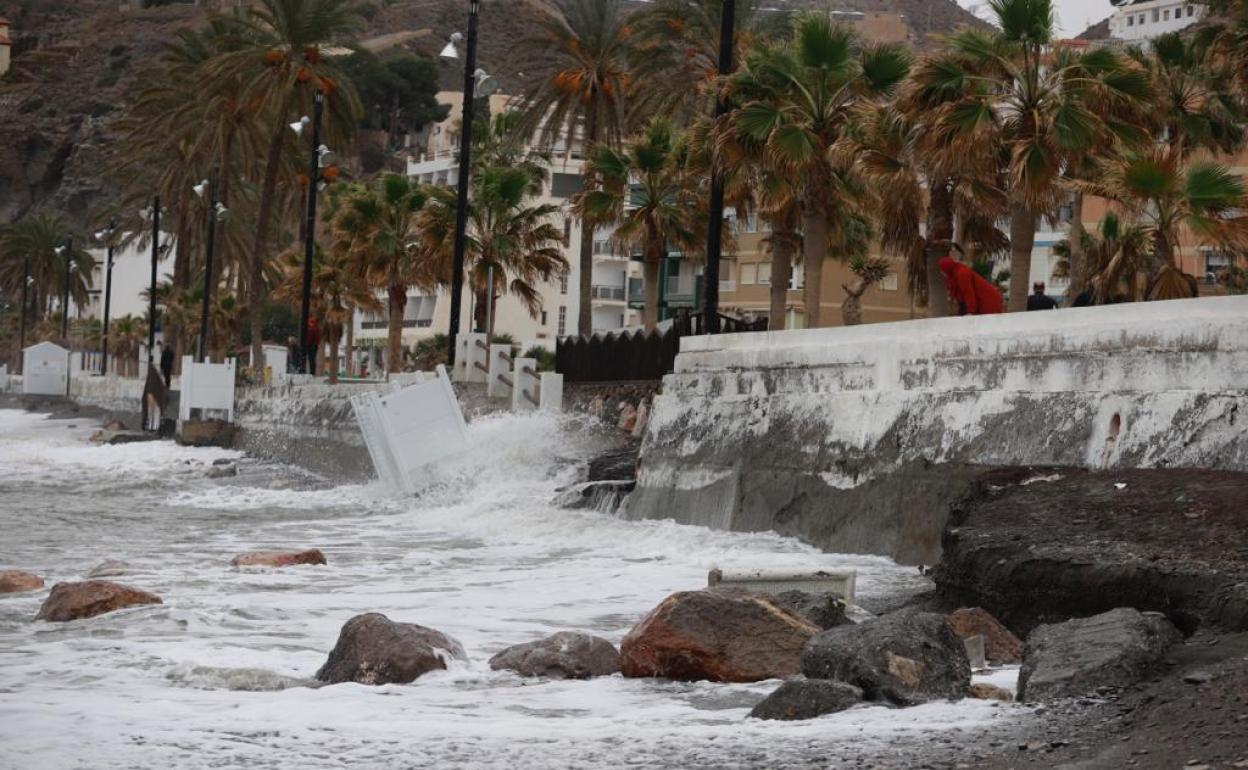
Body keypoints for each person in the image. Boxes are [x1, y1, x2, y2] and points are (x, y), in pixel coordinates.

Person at [937, 253, 1004, 316]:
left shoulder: (962, 274)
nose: (941, 272)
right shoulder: (953, 275)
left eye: (942, 270)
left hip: (988, 304)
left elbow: (968, 293)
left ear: (946, 268)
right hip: (980, 303)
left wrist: (970, 312)